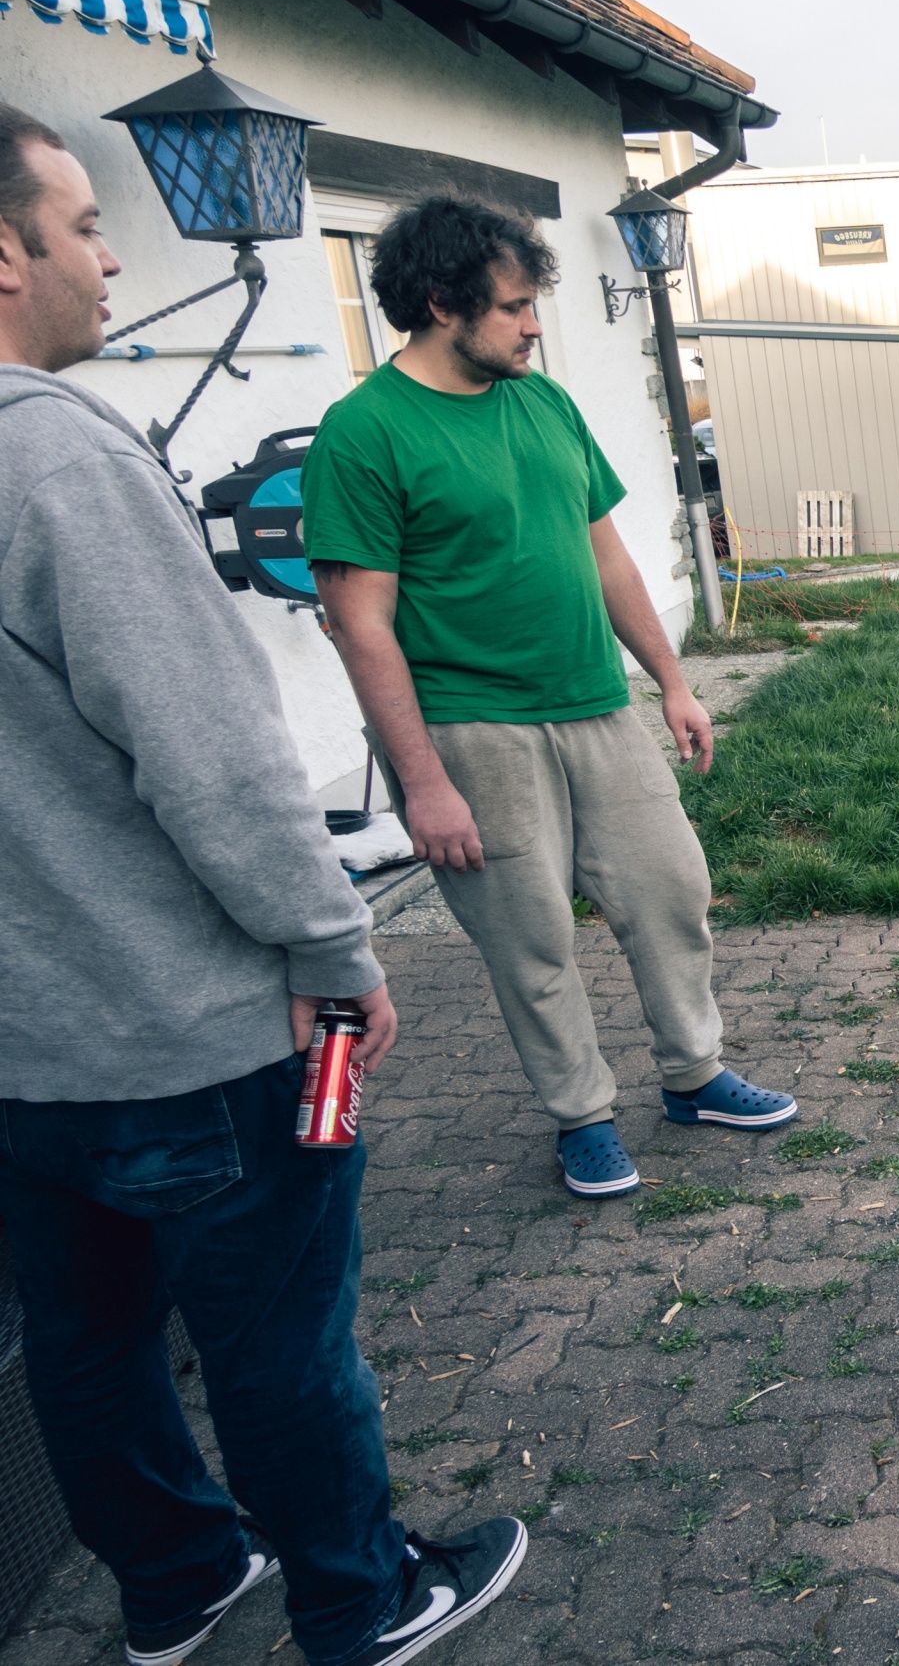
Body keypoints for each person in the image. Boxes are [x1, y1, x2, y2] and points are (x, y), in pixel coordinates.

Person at [0, 106, 522, 1666]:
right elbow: (214, 757)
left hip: (24, 1056)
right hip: (209, 1035)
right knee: (280, 1330)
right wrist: (333, 944)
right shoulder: (61, 457)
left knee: (85, 1335)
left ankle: (175, 1581)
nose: (110, 260)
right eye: (85, 225)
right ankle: (363, 1597)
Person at [301, 195, 796, 1201]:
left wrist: (671, 682)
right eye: (515, 307)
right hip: (470, 726)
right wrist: (423, 783)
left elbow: (607, 557)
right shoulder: (363, 434)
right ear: (442, 303)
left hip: (594, 702)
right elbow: (361, 625)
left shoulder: (547, 404)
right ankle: (582, 1115)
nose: (533, 326)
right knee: (530, 939)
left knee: (670, 889)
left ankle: (694, 1074)